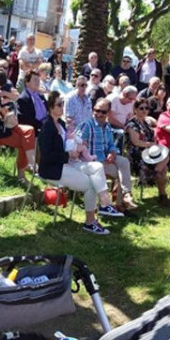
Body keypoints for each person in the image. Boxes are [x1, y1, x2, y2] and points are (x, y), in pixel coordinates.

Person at [38, 91, 124, 235]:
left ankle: (104, 205)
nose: (62, 107)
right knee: (91, 184)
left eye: (63, 104)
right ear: (51, 107)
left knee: (97, 166)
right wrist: (68, 154)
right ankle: (91, 221)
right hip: (54, 168)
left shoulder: (61, 123)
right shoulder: (47, 127)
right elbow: (47, 155)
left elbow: (68, 143)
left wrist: (77, 147)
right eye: (59, 104)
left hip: (68, 163)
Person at [78, 98, 137, 211]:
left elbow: (110, 144)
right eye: (96, 110)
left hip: (105, 159)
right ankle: (119, 205)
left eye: (103, 112)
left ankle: (126, 196)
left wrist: (113, 152)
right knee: (122, 174)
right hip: (93, 163)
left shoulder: (107, 126)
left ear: (109, 113)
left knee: (124, 162)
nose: (99, 114)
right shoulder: (87, 125)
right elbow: (78, 144)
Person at [0, 70, 36, 181]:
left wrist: (4, 111)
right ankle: (23, 173)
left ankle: (29, 165)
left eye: (0, 86)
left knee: (30, 130)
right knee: (24, 141)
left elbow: (1, 112)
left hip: (3, 126)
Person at [125, 98, 170, 205]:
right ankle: (162, 194)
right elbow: (136, 142)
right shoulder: (131, 124)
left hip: (150, 153)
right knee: (163, 168)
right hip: (137, 154)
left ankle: (158, 177)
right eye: (141, 108)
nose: (144, 110)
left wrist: (154, 145)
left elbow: (153, 136)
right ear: (135, 109)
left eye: (146, 108)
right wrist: (151, 145)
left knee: (165, 159)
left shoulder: (146, 122)